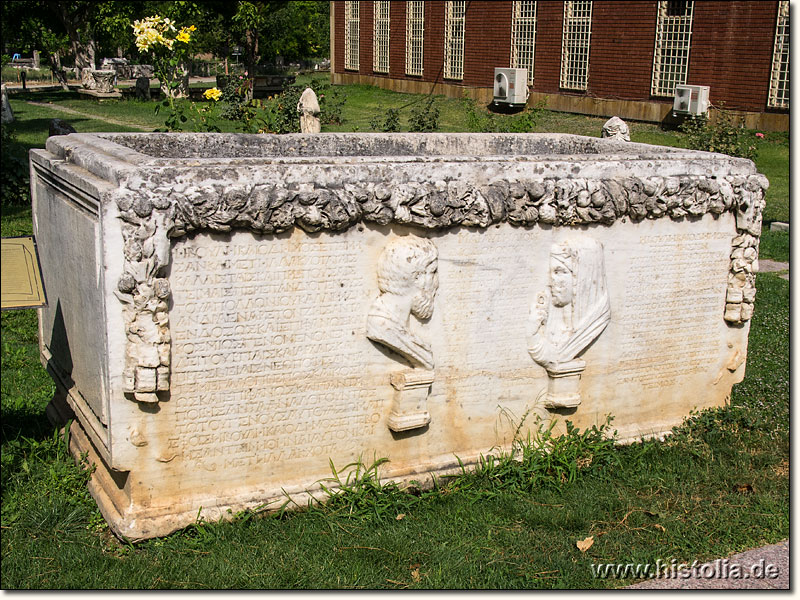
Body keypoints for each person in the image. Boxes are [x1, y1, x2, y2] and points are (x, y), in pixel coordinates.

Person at [528, 237, 610, 371]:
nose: (551, 282)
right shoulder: (555, 322)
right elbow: (552, 355)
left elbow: (555, 356)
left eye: (559, 272)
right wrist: (531, 333)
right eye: (552, 273)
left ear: (583, 276)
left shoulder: (596, 321)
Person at [366, 237, 439, 369]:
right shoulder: (383, 328)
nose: (436, 284)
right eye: (433, 273)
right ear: (417, 278)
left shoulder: (392, 324)